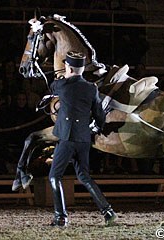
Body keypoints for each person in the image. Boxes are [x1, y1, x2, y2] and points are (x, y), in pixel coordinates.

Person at [47, 51, 117, 226]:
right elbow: (99, 115)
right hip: (84, 139)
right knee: (84, 176)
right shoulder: (91, 88)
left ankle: (60, 216)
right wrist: (95, 128)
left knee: (54, 176)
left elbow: (52, 86)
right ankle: (108, 212)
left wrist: (62, 75)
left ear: (69, 67)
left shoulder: (62, 85)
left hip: (68, 138)